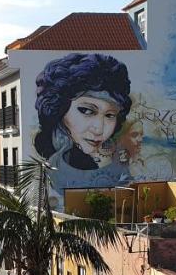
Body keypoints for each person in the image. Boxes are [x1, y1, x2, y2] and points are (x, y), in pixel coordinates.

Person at [33, 53, 133, 196]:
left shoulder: (116, 162)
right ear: (60, 108)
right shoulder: (52, 169)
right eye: (86, 111)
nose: (99, 129)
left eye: (110, 115)